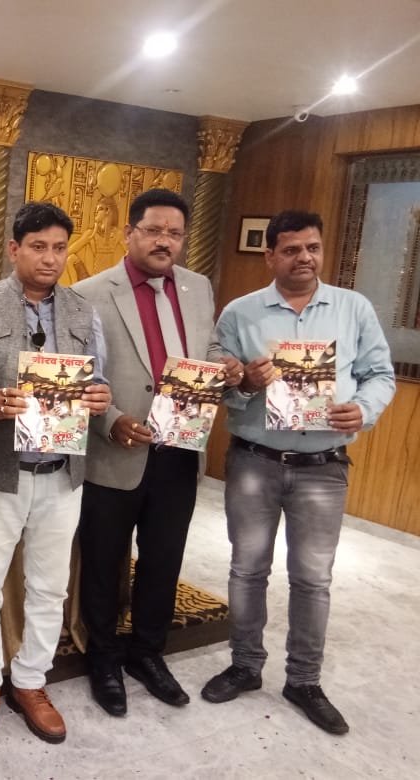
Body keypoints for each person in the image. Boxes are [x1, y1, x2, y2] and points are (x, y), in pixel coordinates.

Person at [202, 210, 395, 734]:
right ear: (270, 256)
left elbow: (380, 374)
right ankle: (245, 666)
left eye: (312, 247)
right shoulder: (240, 313)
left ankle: (304, 680)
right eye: (291, 250)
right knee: (247, 569)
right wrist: (245, 382)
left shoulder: (354, 308)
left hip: (322, 467)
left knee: (312, 579)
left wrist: (364, 409)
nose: (304, 258)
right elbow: (219, 385)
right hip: (254, 461)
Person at [73, 189, 243, 717]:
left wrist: (226, 366)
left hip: (180, 451)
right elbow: (79, 376)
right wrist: (110, 420)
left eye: (174, 233)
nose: (164, 241)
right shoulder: (88, 293)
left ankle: (148, 652)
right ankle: (103, 657)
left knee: (164, 559)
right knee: (104, 562)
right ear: (129, 233)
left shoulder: (197, 287)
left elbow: (208, 351)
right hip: (116, 450)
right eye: (153, 230)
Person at [0, 202, 110, 747]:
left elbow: (97, 383)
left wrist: (99, 398)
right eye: (38, 247)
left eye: (59, 248)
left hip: (62, 474)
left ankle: (31, 681)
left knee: (49, 586)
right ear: (14, 248)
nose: (50, 258)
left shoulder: (84, 312)